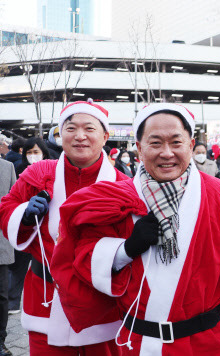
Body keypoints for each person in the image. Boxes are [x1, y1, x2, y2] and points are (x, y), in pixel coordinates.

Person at [51, 103, 220, 355]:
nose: (167, 153)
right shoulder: (115, 197)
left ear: (191, 145)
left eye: (176, 142)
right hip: (134, 343)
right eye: (156, 143)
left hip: (203, 343)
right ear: (139, 148)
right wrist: (125, 249)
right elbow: (82, 256)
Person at [0, 99, 128, 355]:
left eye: (89, 129)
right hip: (45, 296)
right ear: (60, 135)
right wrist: (24, 216)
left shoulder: (123, 185)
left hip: (102, 300)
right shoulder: (38, 174)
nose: (80, 136)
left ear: (105, 136)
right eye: (70, 128)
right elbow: (7, 206)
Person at [8, 137, 50, 316]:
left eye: (36, 152)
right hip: (25, 227)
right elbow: (10, 200)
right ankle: (13, 301)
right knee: (18, 266)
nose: (33, 156)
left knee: (42, 268)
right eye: (29, 152)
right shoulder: (18, 170)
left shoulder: (52, 170)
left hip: (46, 231)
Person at [0, 159, 16, 356]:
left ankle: (1, 340)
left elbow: (14, 203)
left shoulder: (7, 167)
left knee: (1, 295)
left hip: (0, 244)